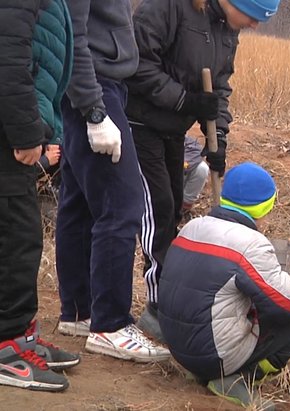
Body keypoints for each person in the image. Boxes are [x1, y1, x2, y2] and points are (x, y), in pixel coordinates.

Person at [125, 0, 282, 341]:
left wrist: (218, 138)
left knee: (173, 207)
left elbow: (220, 88)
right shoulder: (170, 7)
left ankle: (174, 300)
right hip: (138, 122)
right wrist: (186, 100)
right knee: (159, 210)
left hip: (172, 130)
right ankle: (158, 307)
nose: (254, 26)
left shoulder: (227, 28)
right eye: (253, 17)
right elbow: (137, 65)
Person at [54, 0, 170, 362]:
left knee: (79, 202)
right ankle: (111, 325)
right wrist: (94, 110)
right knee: (121, 206)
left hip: (99, 86)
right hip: (93, 88)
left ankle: (80, 311)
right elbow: (73, 34)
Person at [158, 162, 290, 408]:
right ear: (265, 206)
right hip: (214, 356)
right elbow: (288, 302)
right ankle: (239, 378)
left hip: (179, 349)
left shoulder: (192, 227)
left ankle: (204, 370)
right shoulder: (250, 244)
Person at [0, 0, 79, 392]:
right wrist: (27, 130)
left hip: (15, 124)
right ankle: (6, 348)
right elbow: (8, 56)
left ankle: (21, 336)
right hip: (8, 130)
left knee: (21, 236)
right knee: (16, 240)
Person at [181, 135, 210, 213]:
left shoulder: (180, 135)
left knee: (201, 168)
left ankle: (184, 206)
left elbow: (196, 151)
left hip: (177, 177)